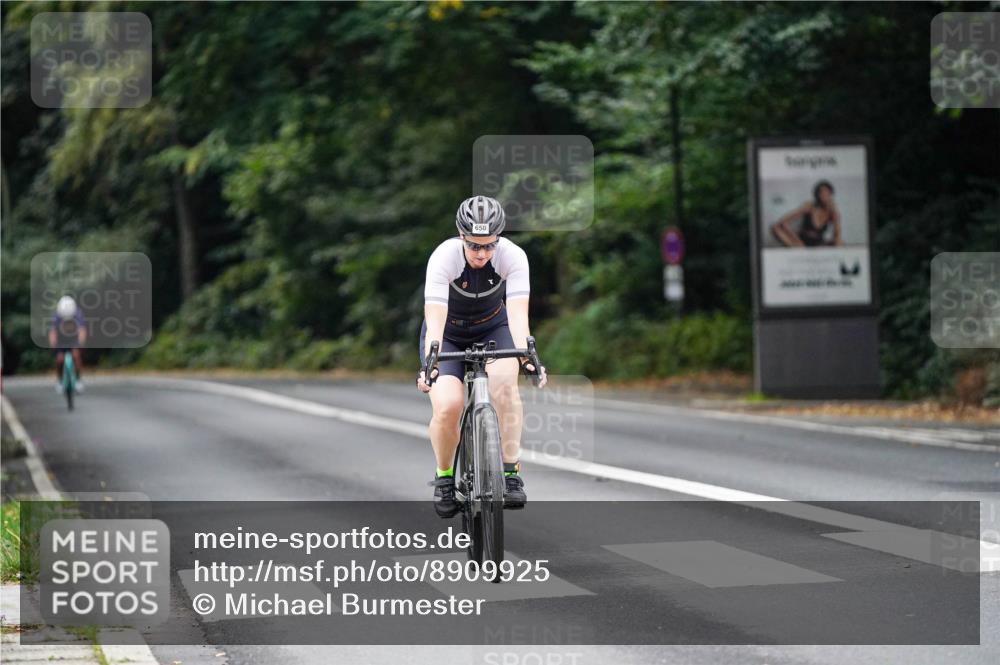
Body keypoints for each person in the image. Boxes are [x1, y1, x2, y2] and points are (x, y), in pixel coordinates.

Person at [417, 195, 547, 518]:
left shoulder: (513, 257)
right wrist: (430, 364)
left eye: (489, 245)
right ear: (461, 236)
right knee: (448, 405)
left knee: (505, 386)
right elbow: (434, 317)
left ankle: (510, 471)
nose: (482, 253)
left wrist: (528, 356)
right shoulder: (443, 258)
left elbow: (518, 317)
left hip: (494, 328)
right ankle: (445, 477)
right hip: (447, 333)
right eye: (474, 245)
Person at [770, 180, 842, 248]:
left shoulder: (832, 211)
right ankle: (799, 248)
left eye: (827, 193)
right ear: (817, 195)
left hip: (818, 243)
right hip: (801, 241)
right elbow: (783, 221)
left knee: (840, 243)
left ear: (831, 195)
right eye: (821, 193)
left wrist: (835, 214)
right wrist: (796, 239)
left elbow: (836, 236)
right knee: (775, 227)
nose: (824, 195)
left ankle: (803, 250)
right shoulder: (809, 206)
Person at [48, 295, 86, 393]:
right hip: (61, 340)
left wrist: (80, 343)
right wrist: (53, 345)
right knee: (59, 359)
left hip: (73, 339)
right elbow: (53, 332)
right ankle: (60, 380)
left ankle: (78, 379)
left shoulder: (77, 314)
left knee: (76, 356)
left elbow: (82, 330)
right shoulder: (56, 315)